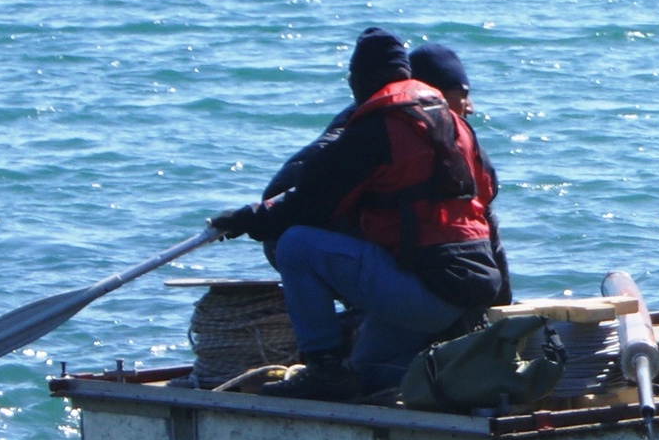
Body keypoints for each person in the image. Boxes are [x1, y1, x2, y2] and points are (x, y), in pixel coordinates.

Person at [214, 27, 507, 401]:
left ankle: (324, 368)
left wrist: (246, 220)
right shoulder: (458, 127)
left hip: (426, 295)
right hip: (472, 291)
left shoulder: (375, 128)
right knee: (370, 374)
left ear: (359, 81)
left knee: (296, 245)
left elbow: (306, 205)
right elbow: (486, 201)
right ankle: (375, 366)